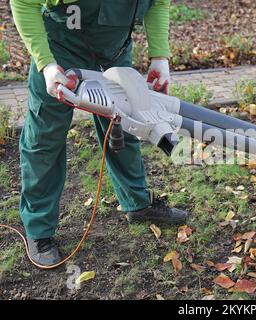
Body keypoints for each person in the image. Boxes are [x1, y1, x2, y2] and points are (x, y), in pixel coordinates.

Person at [10, 0, 189, 266]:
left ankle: (138, 204)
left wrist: (160, 57)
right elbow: (24, 2)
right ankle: (39, 230)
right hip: (60, 52)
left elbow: (158, 3)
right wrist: (46, 64)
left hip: (114, 54)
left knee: (126, 126)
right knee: (45, 139)